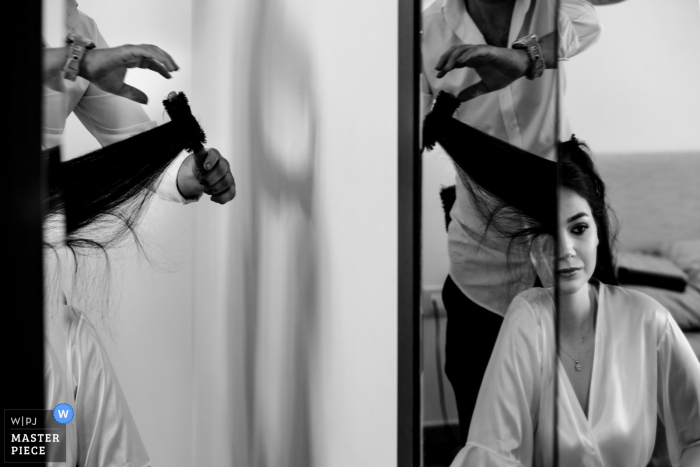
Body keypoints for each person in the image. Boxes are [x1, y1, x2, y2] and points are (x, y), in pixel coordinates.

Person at [448, 140, 700, 466]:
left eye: (578, 228)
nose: (565, 249)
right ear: (532, 243)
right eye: (549, 234)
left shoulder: (649, 320)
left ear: (597, 231)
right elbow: (493, 453)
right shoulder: (526, 320)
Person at [421, 0, 601, 442]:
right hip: (480, 272)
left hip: (567, 266)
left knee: (576, 431)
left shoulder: (554, 6)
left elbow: (588, 23)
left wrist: (525, 57)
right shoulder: (426, 34)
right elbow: (398, 126)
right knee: (484, 432)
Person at [43, 0, 235, 205]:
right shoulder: (80, 50)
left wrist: (187, 174)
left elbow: (132, 145)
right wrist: (78, 62)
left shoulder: (82, 30)